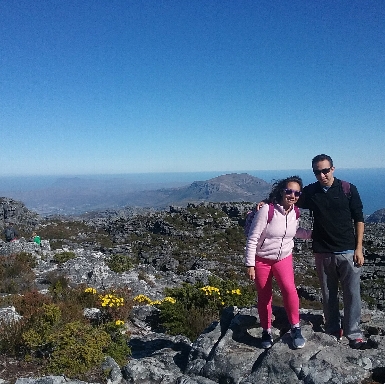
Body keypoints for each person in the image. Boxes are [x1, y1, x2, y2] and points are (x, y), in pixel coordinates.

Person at [296, 154, 372, 349]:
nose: (321, 175)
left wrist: (359, 248)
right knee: (328, 294)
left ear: (333, 169)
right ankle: (332, 329)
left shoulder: (347, 189)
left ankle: (353, 332)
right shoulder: (311, 192)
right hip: (322, 251)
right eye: (317, 172)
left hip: (348, 250)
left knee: (352, 294)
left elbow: (359, 218)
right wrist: (265, 204)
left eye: (325, 170)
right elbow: (289, 199)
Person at [245, 176, 312, 349]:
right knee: (265, 296)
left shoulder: (295, 212)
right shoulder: (267, 210)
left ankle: (295, 328)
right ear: (281, 191)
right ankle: (266, 330)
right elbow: (252, 238)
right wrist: (250, 264)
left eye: (296, 193)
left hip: (284, 258)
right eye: (289, 191)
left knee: (290, 291)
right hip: (262, 260)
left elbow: (294, 232)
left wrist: (315, 233)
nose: (292, 195)